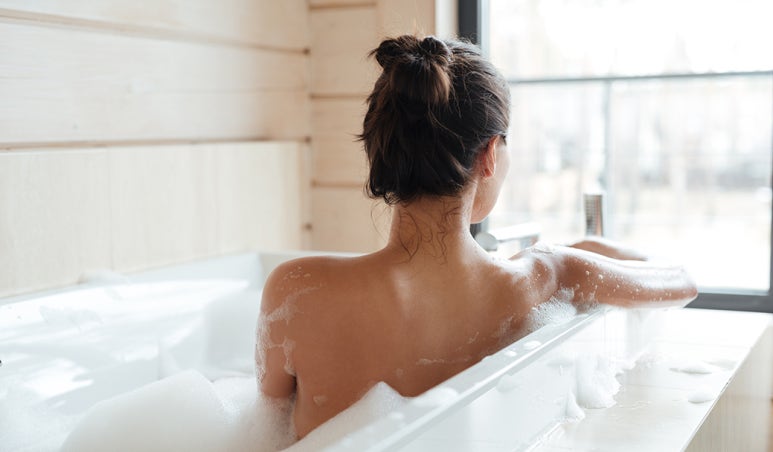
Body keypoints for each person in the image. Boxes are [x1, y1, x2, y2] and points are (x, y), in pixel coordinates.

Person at [256, 35, 697, 439]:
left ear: (381, 148)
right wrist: (574, 254)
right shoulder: (543, 278)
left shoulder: (296, 290)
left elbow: (266, 424)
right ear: (489, 154)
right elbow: (678, 282)